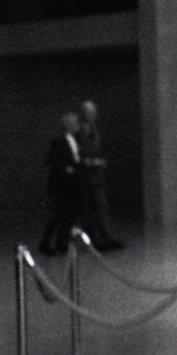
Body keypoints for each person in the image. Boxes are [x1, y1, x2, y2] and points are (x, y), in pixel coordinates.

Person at [76, 100, 126, 250]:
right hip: (84, 176)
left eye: (93, 113)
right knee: (88, 210)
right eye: (88, 113)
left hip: (97, 176)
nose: (91, 115)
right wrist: (91, 162)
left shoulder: (95, 129)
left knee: (102, 207)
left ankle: (107, 236)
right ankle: (94, 240)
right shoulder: (78, 131)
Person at [39, 111, 87, 256]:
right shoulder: (59, 141)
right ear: (67, 125)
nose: (77, 125)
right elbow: (51, 160)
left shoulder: (77, 140)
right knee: (57, 215)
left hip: (74, 184)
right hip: (62, 185)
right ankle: (45, 243)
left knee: (70, 215)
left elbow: (78, 159)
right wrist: (65, 168)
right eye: (74, 122)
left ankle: (62, 242)